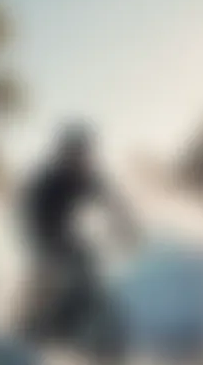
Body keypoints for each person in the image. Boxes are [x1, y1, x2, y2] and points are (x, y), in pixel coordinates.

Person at [16, 123, 137, 349]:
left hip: (68, 239)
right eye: (76, 152)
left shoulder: (88, 179)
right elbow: (29, 208)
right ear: (66, 152)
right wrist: (39, 242)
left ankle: (71, 326)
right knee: (49, 278)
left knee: (90, 267)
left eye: (84, 154)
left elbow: (113, 203)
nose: (82, 159)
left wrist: (128, 230)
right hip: (45, 239)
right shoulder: (50, 178)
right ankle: (29, 330)